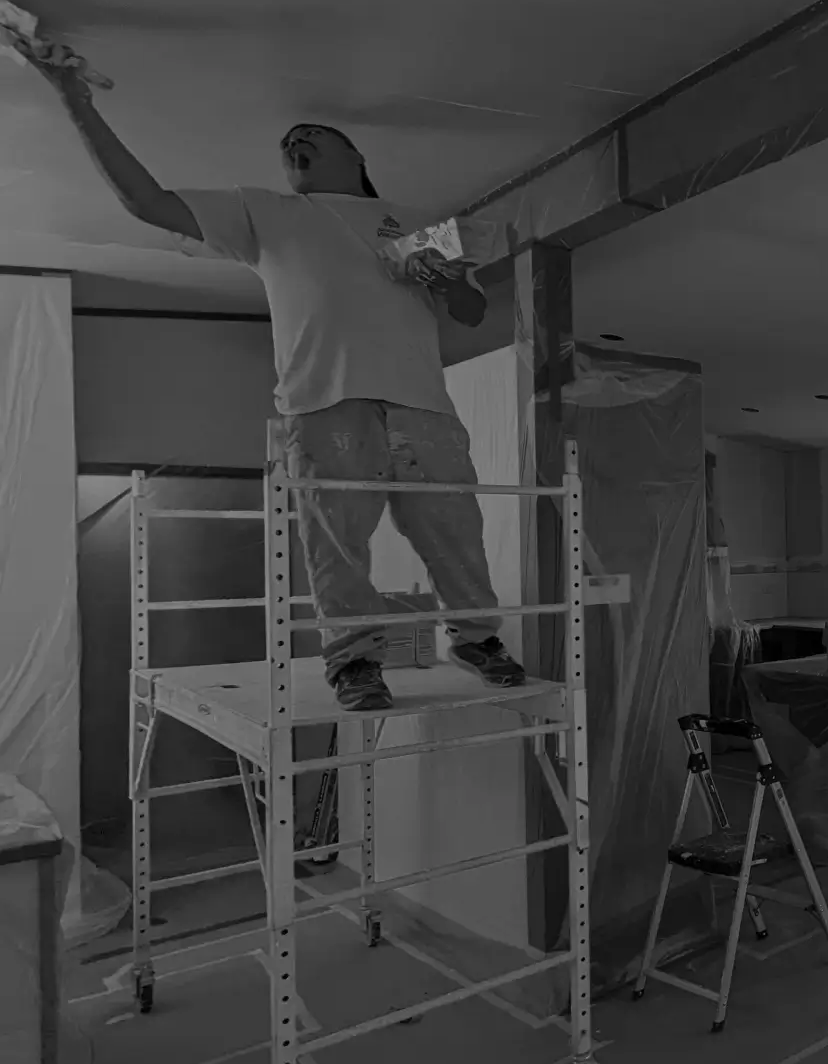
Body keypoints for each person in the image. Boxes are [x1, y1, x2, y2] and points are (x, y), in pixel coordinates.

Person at [36, 56, 527, 712]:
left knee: (454, 530)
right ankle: (355, 661)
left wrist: (436, 274)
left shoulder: (409, 224)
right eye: (287, 145)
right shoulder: (265, 214)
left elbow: (470, 310)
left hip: (422, 404)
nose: (293, 145)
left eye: (311, 137)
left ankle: (475, 639)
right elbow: (147, 203)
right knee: (336, 542)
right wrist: (77, 103)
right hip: (323, 403)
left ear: (354, 155)